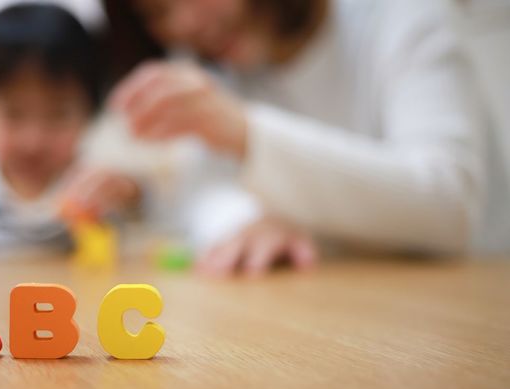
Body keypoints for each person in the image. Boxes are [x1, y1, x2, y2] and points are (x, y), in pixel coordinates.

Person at [100, 0, 510, 275]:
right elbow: (201, 189)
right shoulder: (228, 69)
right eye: (157, 11)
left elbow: (450, 201)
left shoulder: (402, 16)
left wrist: (246, 132)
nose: (183, 25)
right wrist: (248, 221)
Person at [0, 3, 140, 251]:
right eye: (13, 115)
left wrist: (130, 194)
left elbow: (149, 220)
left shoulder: (93, 184)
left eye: (58, 115)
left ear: (89, 114)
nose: (33, 141)